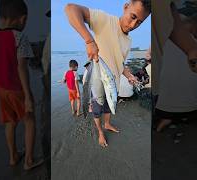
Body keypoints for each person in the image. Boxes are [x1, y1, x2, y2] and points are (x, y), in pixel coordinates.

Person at [65, 0, 151, 147]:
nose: (132, 25)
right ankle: (100, 131)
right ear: (125, 7)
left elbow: (120, 64)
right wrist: (89, 41)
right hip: (98, 81)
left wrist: (129, 75)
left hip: (114, 83)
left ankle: (107, 124)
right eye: (132, 17)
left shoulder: (129, 41)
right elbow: (70, 9)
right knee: (97, 108)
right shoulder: (105, 20)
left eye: (139, 22)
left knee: (109, 106)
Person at [0, 0, 43, 170]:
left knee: (10, 122)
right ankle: (28, 160)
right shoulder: (19, 37)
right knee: (29, 120)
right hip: (17, 88)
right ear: (23, 19)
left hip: (0, 89)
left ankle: (13, 157)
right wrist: (27, 96)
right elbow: (22, 67)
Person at [155, 15, 197, 132]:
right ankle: (183, 118)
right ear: (195, 31)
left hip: (163, 110)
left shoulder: (162, 44)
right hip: (195, 108)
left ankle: (168, 118)